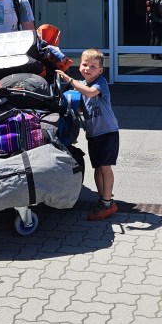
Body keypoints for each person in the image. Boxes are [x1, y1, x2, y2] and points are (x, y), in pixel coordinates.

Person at [57, 48, 119, 221]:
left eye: (93, 66)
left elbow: (90, 93)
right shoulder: (83, 85)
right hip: (93, 134)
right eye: (85, 64)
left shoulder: (100, 83)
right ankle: (103, 199)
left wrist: (69, 80)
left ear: (100, 70)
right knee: (97, 168)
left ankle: (108, 204)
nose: (88, 69)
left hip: (108, 132)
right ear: (79, 66)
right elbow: (82, 107)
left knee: (105, 168)